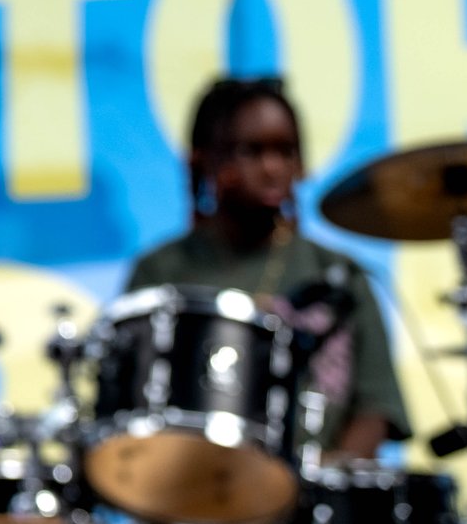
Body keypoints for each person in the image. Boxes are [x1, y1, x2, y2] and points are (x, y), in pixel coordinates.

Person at [124, 76, 410, 459]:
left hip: (313, 500)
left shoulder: (337, 274)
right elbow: (131, 408)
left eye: (286, 151)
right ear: (208, 159)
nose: (273, 167)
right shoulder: (161, 273)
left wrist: (319, 480)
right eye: (252, 152)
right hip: (193, 491)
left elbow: (376, 408)